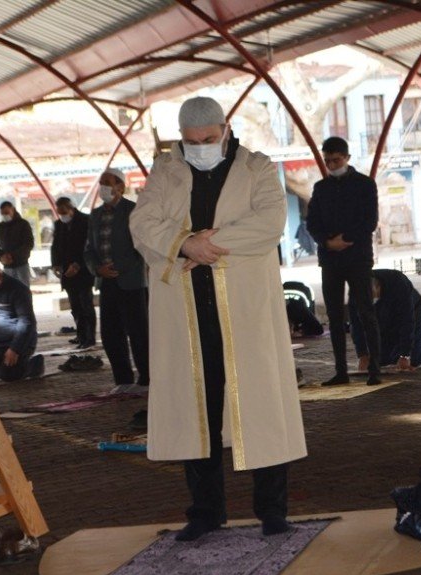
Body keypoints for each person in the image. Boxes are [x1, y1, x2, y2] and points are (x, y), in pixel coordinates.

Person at [130, 96, 306, 540]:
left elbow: (270, 221)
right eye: (191, 142)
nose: (200, 147)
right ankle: (205, 512)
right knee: (197, 410)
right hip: (187, 311)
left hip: (245, 313)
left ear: (225, 129)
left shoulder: (257, 168)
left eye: (208, 139)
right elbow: (141, 222)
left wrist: (209, 245)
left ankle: (273, 510)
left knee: (259, 404)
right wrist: (185, 243)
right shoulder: (166, 171)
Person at [305, 136, 382, 386]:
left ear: (347, 158)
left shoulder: (365, 185)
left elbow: (369, 221)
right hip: (330, 260)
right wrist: (327, 243)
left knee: (365, 313)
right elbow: (312, 222)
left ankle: (375, 370)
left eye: (335, 160)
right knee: (335, 317)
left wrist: (344, 240)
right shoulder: (321, 188)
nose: (331, 164)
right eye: (327, 161)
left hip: (358, 257)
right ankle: (341, 371)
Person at [84, 167, 149, 393]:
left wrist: (119, 268)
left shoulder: (134, 211)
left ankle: (147, 379)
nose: (103, 187)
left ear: (120, 186)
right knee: (111, 334)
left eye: (108, 182)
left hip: (131, 282)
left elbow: (141, 248)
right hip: (106, 283)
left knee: (139, 332)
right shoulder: (95, 215)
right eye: (101, 182)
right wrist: (98, 269)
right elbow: (89, 250)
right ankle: (123, 380)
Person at [350, 269, 421, 371]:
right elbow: (356, 325)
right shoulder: (355, 292)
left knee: (414, 358)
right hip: (383, 314)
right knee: (380, 360)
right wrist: (362, 355)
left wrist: (405, 356)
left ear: (378, 287)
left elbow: (407, 321)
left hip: (413, 312)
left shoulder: (398, 282)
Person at [0, 261, 44, 382]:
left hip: (20, 342)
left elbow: (26, 322)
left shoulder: (18, 290)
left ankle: (35, 364)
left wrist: (15, 349)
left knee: (8, 375)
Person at [51, 196, 96, 349]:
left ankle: (89, 338)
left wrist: (78, 265)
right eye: (59, 213)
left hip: (83, 271)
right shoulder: (59, 225)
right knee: (75, 306)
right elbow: (55, 246)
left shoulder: (85, 221)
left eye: (64, 212)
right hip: (67, 273)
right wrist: (55, 264)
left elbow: (89, 246)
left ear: (71, 209)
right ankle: (81, 335)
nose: (62, 215)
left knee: (86, 305)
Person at [0, 201, 35, 286]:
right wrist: (1, 257)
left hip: (22, 265)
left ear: (13, 210)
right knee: (9, 291)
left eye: (6, 212)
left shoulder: (23, 224)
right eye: (2, 213)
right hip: (7, 267)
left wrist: (12, 256)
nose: (5, 215)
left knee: (23, 290)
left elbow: (29, 244)